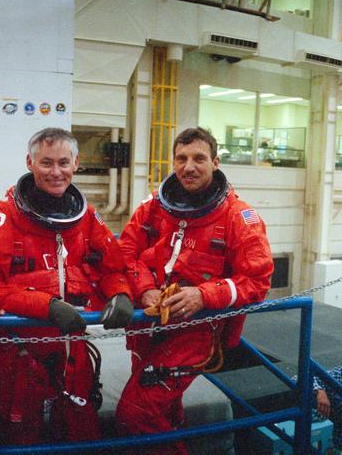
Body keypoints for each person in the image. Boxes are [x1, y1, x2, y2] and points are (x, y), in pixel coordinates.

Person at [0, 127, 133, 444]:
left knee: (79, 431)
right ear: (29, 163)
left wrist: (120, 293)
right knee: (22, 438)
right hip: (19, 354)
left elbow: (112, 266)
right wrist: (46, 306)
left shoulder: (86, 217)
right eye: (46, 163)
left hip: (73, 350)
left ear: (76, 163)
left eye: (63, 163)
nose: (55, 172)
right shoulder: (1, 219)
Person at [117, 127, 274, 454]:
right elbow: (125, 253)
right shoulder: (155, 207)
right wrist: (145, 290)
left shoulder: (238, 217)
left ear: (215, 163)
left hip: (198, 330)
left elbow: (257, 281)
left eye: (199, 158)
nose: (189, 166)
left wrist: (204, 295)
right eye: (181, 158)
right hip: (148, 325)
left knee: (136, 409)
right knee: (163, 409)